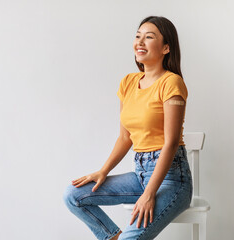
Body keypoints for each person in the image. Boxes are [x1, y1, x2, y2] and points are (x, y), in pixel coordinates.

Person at [63, 16, 193, 240]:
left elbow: (170, 143)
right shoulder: (128, 83)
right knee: (73, 195)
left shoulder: (171, 82)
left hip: (172, 179)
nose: (140, 42)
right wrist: (103, 171)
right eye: (137, 36)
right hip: (140, 174)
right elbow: (125, 137)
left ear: (166, 47)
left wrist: (149, 193)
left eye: (149, 37)